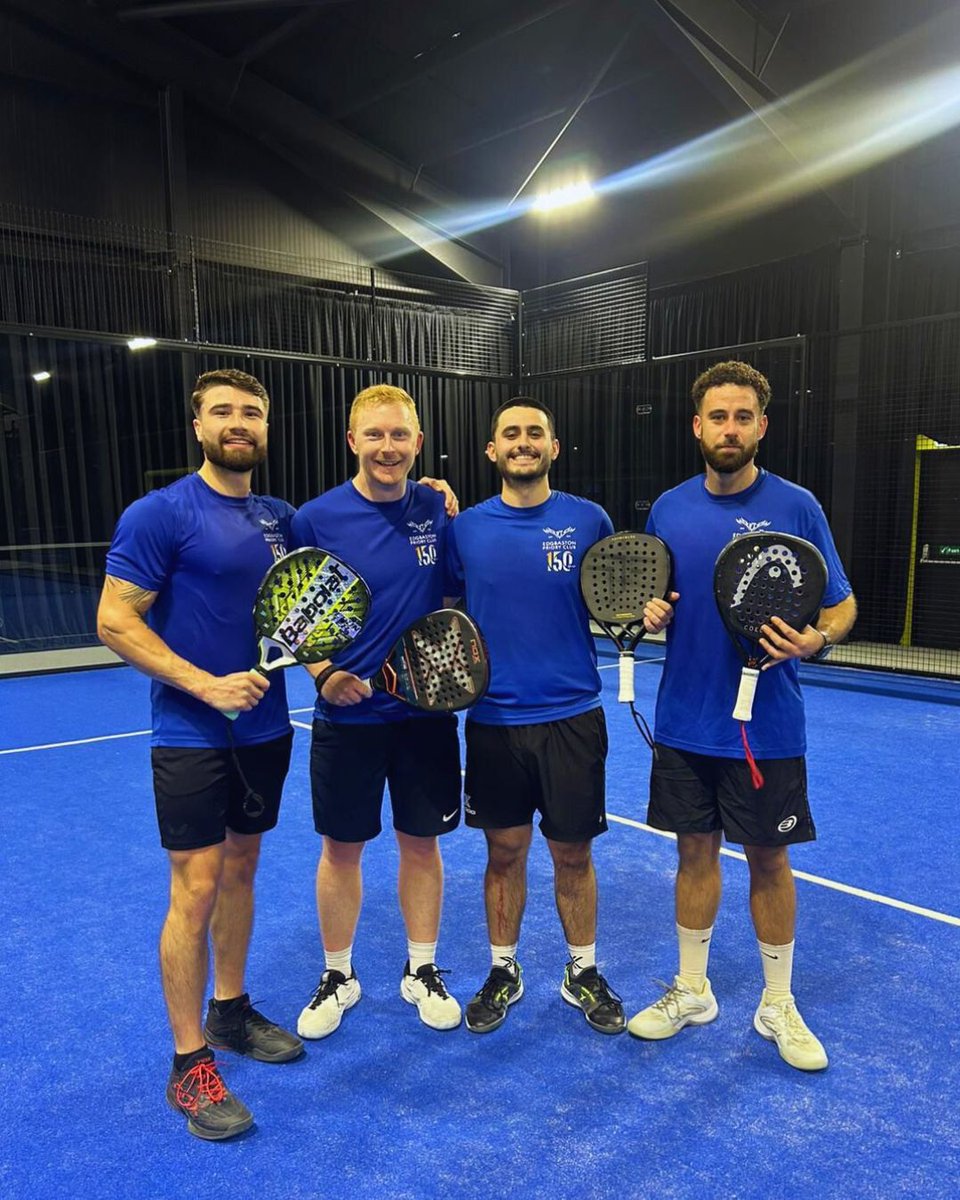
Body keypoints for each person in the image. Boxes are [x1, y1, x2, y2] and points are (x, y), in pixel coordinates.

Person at [628, 360, 857, 1071]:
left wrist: (817, 640)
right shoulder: (668, 509)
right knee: (693, 854)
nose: (730, 429)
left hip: (769, 727)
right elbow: (659, 596)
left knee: (769, 858)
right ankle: (692, 989)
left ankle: (778, 1002)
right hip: (685, 721)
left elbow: (841, 603)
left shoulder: (797, 506)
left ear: (762, 426)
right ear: (697, 427)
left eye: (743, 417)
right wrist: (653, 611)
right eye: (718, 417)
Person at [97, 368, 303, 1142]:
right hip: (190, 736)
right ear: (199, 427)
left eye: (251, 411)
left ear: (265, 426)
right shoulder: (160, 514)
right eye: (223, 411)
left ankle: (230, 1010)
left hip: (267, 730)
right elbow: (114, 621)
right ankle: (189, 1063)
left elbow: (313, 598)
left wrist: (432, 495)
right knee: (196, 886)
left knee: (243, 867)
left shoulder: (281, 518)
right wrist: (205, 685)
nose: (238, 422)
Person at [448, 397, 673, 1035]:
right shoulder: (465, 529)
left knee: (573, 853)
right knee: (504, 853)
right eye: (510, 434)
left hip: (573, 718)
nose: (522, 442)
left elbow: (621, 596)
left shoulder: (588, 519)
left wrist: (649, 614)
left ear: (553, 447)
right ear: (492, 450)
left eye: (535, 433)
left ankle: (583, 970)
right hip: (494, 722)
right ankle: (503, 969)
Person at [291, 384, 463, 1040]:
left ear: (418, 443)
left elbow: (451, 599)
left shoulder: (437, 509)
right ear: (352, 441)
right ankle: (338, 974)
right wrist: (324, 675)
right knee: (342, 849)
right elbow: (297, 615)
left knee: (421, 843)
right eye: (374, 434)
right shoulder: (316, 519)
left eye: (399, 435)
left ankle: (422, 968)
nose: (387, 447)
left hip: (425, 718)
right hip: (348, 722)